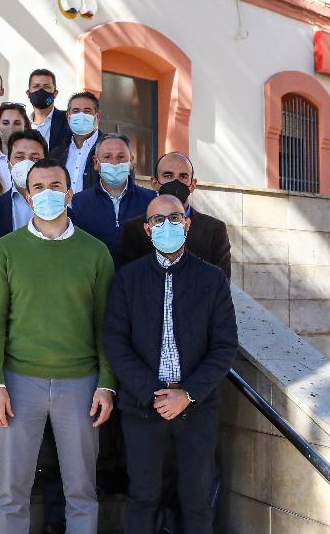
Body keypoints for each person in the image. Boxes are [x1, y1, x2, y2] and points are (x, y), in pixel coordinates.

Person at [0, 158, 116, 534]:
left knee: (82, 491)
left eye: (55, 186)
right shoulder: (6, 250)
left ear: (69, 194)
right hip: (18, 383)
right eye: (38, 187)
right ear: (26, 196)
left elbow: (107, 325)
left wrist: (106, 383)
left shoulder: (95, 253)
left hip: (81, 384)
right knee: (12, 492)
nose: (47, 193)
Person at [102, 194, 238, 534]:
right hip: (142, 409)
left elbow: (224, 346)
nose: (167, 226)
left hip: (197, 408)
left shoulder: (212, 280)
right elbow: (115, 342)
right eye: (158, 221)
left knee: (197, 501)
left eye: (175, 218)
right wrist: (152, 393)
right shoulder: (127, 279)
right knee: (142, 499)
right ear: (148, 230)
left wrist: (187, 394)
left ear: (187, 224)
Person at [116, 152, 233, 278]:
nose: (176, 182)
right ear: (154, 182)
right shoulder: (134, 229)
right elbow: (126, 280)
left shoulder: (214, 230)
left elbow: (221, 284)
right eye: (168, 175)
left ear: (192, 185)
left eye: (183, 176)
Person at [69, 134, 155, 255]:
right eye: (107, 157)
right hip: (96, 273)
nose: (115, 163)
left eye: (121, 157)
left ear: (131, 162)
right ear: (96, 163)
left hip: (139, 273)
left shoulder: (151, 200)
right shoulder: (78, 203)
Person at [0, 129, 47, 254]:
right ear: (8, 163)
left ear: (46, 163)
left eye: (34, 158)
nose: (27, 163)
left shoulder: (62, 209)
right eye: (19, 157)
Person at [46, 91, 104, 194]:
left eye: (87, 111)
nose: (81, 115)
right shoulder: (56, 154)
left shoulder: (110, 150)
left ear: (98, 116)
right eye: (76, 111)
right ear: (68, 117)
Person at [25, 69, 72, 153]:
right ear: (28, 93)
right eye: (36, 86)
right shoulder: (22, 125)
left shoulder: (68, 120)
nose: (41, 91)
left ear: (55, 93)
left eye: (46, 87)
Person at [0, 102, 29, 189]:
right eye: (5, 123)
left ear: (25, 127)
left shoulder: (34, 160)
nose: (11, 127)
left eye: (17, 123)